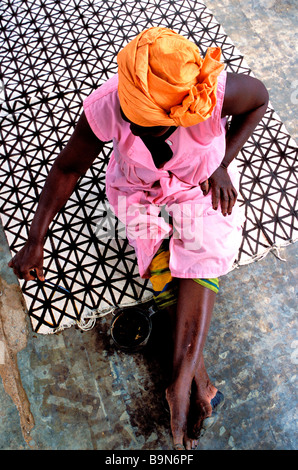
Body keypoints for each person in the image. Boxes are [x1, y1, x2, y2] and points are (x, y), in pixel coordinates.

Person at [8, 27, 269, 450]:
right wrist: (36, 237)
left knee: (205, 247)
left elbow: (259, 100)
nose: (133, 124)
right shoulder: (111, 102)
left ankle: (181, 382)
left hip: (197, 182)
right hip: (137, 186)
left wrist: (222, 162)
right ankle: (191, 380)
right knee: (156, 249)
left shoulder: (213, 90)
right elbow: (68, 169)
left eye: (147, 122)